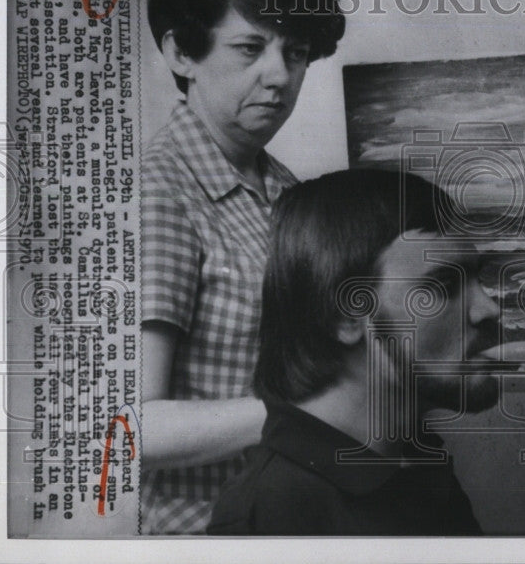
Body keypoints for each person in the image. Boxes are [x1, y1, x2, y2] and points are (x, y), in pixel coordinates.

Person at [139, 0, 346, 534]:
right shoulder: (158, 191)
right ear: (181, 53)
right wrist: (312, 410)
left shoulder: (284, 190)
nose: (278, 76)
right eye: (250, 47)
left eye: (296, 51)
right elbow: (127, 428)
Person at [207, 169, 504, 535]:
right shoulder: (273, 514)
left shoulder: (415, 463)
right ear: (343, 316)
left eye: (479, 280)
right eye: (443, 286)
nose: (488, 308)